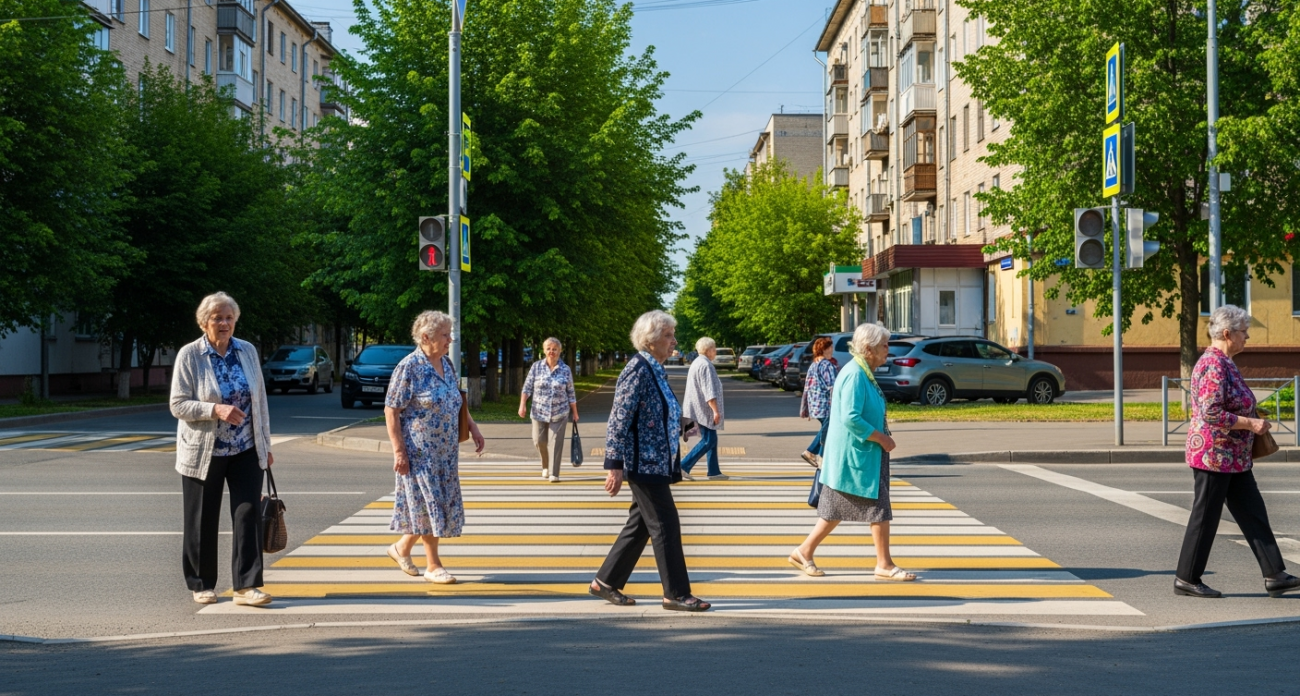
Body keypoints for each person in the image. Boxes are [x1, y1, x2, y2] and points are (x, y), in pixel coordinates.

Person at [588, 310, 711, 612]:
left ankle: (605, 581)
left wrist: (683, 425)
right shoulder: (637, 369)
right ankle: (676, 593)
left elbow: (658, 410)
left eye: (672, 335)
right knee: (666, 524)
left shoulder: (654, 368)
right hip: (644, 462)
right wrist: (613, 464)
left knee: (641, 524)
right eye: (668, 335)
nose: (674, 341)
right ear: (651, 340)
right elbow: (619, 418)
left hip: (656, 460)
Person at [1175, 305, 1300, 598]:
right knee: (1205, 516)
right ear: (1227, 333)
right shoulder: (1214, 365)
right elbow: (1211, 413)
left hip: (1232, 457)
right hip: (1214, 455)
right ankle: (1186, 578)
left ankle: (1275, 574)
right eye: (1244, 332)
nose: (1247, 337)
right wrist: (1251, 423)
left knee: (1253, 512)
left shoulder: (1225, 362)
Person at [787, 322, 916, 582]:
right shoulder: (855, 373)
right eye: (884, 345)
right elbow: (850, 417)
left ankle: (804, 551)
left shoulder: (861, 371)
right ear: (868, 349)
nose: (887, 350)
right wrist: (881, 438)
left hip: (858, 456)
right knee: (878, 507)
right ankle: (884, 564)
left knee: (836, 510)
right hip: (856, 456)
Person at [171, 292, 275, 606]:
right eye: (218, 318)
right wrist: (214, 410)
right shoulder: (190, 355)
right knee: (202, 519)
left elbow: (260, 402)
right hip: (204, 450)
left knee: (248, 515)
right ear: (205, 323)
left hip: (245, 447)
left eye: (229, 317)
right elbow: (178, 404)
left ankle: (246, 586)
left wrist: (265, 445)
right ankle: (201, 583)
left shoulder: (247, 351)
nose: (225, 323)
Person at [384, 310, 486, 584]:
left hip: (446, 453)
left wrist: (473, 428)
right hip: (420, 453)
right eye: (445, 335)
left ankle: (401, 548)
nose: (450, 339)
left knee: (436, 505)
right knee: (429, 506)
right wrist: (399, 451)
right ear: (426, 337)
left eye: (449, 334)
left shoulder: (447, 364)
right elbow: (391, 410)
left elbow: (457, 400)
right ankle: (433, 565)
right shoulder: (409, 367)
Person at [519, 337, 579, 483]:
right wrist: (522, 404)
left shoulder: (565, 370)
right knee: (539, 441)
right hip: (539, 411)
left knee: (556, 442)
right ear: (544, 350)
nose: (551, 352)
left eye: (555, 349)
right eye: (549, 349)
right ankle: (545, 464)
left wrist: (575, 412)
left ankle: (554, 473)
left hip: (560, 412)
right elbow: (527, 388)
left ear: (560, 351)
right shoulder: (536, 367)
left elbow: (571, 392)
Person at [681, 336, 726, 481]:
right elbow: (709, 390)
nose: (716, 352)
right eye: (715, 349)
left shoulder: (697, 362)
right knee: (708, 440)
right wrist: (715, 411)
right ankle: (683, 466)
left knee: (712, 439)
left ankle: (714, 471)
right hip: (703, 410)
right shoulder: (706, 365)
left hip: (695, 407)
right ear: (709, 350)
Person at [800, 336, 836, 468]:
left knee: (827, 429)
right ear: (824, 349)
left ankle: (817, 454)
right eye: (830, 347)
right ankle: (815, 453)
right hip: (826, 405)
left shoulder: (813, 365)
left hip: (815, 405)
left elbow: (807, 387)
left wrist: (806, 407)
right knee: (829, 428)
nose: (832, 350)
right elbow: (832, 387)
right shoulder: (827, 365)